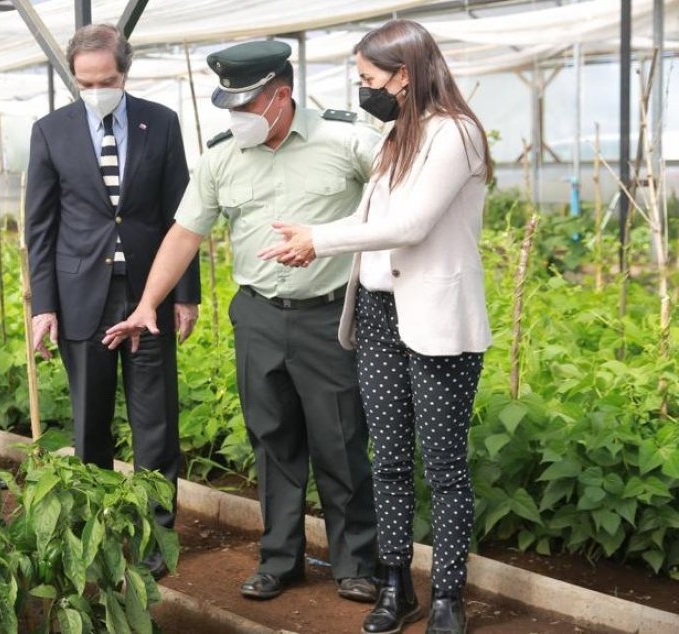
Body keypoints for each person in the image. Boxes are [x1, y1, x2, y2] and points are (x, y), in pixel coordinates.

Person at [103, 41, 380, 602]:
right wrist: (145, 304)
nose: (236, 119)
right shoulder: (222, 157)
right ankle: (281, 558)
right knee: (271, 438)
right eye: (229, 109)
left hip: (330, 315)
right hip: (256, 315)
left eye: (246, 107)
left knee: (341, 439)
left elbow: (402, 206)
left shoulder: (349, 140)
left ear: (282, 95)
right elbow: (184, 234)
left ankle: (357, 563)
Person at [255, 20, 494, 634]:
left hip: (438, 319)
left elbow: (411, 225)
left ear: (405, 75)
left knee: (443, 464)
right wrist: (310, 240)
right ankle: (396, 583)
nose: (363, 88)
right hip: (380, 313)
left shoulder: (456, 134)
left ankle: (447, 595)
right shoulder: (393, 137)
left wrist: (320, 240)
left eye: (369, 78)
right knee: (386, 457)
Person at [25, 23, 200, 580]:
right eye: (86, 82)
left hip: (147, 292)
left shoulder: (161, 123)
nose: (97, 89)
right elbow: (40, 225)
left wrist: (184, 294)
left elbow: (185, 215)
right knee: (90, 423)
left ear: (125, 73)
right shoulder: (51, 131)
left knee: (155, 422)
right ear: (75, 78)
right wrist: (43, 305)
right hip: (82, 297)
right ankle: (97, 534)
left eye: (108, 80)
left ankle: (155, 538)